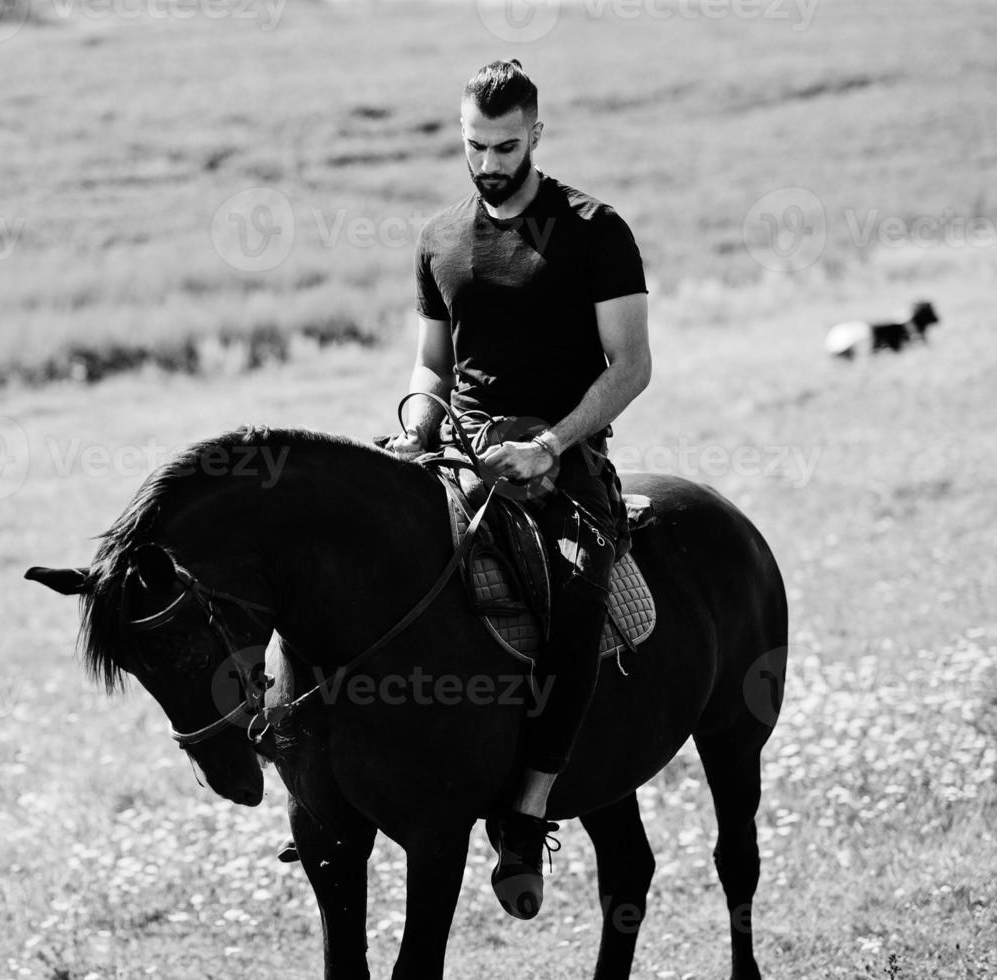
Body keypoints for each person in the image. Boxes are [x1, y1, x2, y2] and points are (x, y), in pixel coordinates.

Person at [384, 58, 651, 920]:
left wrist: (551, 443)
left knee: (574, 591)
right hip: (458, 452)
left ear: (535, 133)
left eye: (504, 146)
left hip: (561, 455)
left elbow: (631, 364)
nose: (488, 162)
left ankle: (528, 807)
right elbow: (430, 364)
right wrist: (415, 431)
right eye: (473, 145)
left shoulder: (592, 229)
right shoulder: (438, 238)